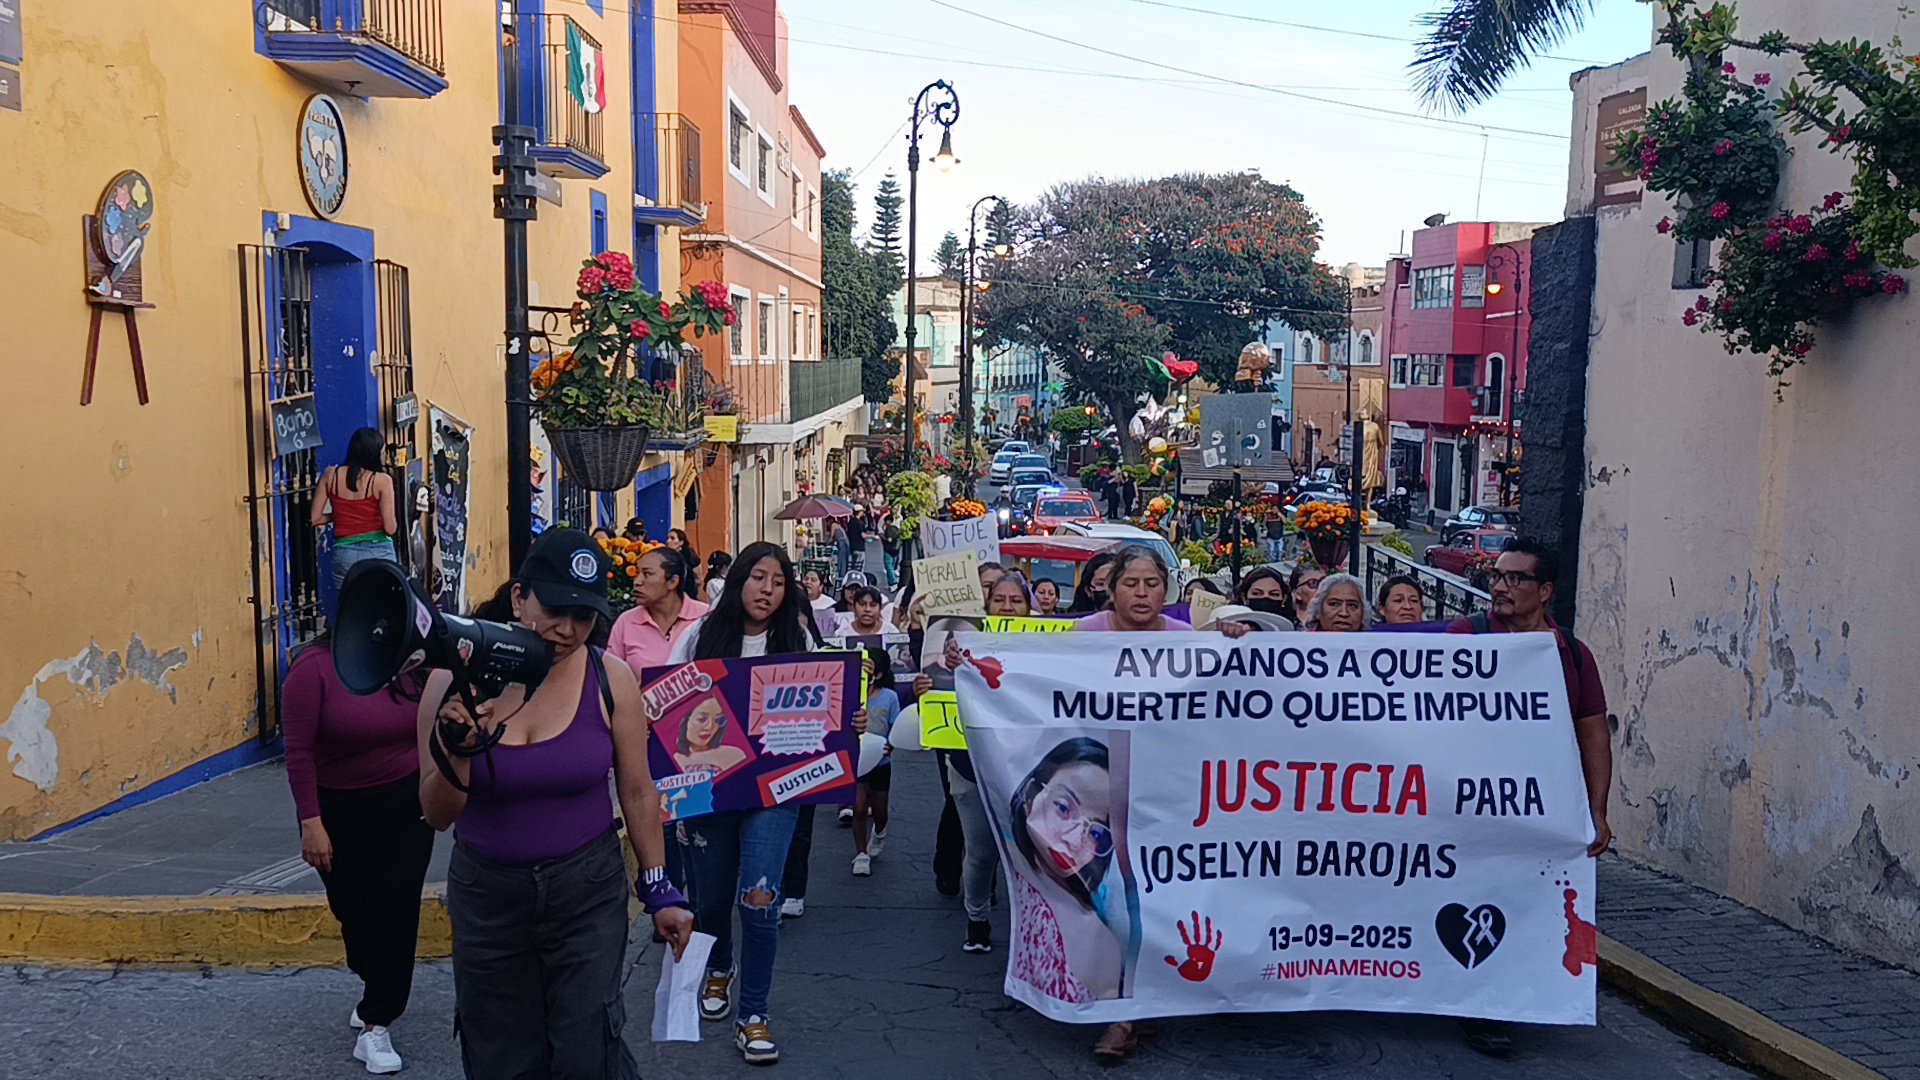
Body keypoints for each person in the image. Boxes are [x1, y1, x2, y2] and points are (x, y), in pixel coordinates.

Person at [417, 529, 693, 1080]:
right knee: (501, 1050)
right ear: (520, 598)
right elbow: (437, 813)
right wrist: (461, 750)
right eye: (555, 609)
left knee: (586, 1042)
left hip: (585, 890)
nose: (567, 630)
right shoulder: (454, 679)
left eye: (585, 616)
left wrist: (660, 887)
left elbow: (638, 790)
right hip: (489, 895)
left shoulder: (609, 679)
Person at [668, 541, 866, 1064]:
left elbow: (826, 709)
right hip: (708, 790)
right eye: (759, 578)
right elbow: (664, 710)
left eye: (779, 583)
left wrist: (851, 721)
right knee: (709, 900)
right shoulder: (698, 637)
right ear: (739, 581)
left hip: (777, 793)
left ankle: (753, 1014)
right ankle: (719, 966)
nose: (768, 591)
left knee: (760, 900)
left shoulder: (795, 638)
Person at [1447, 538, 1613, 1057]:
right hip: (1471, 804)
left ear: (1544, 592)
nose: (1500, 586)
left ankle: (1521, 995)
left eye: (1515, 578)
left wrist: (1597, 810)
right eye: (1497, 575)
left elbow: (1593, 733)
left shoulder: (1573, 655)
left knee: (1532, 906)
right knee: (1478, 901)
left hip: (1544, 808)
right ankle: (1481, 1007)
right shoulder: (1466, 636)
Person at [282, 629, 433, 1075]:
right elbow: (299, 752)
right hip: (338, 810)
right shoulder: (313, 669)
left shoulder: (413, 662)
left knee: (395, 909)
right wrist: (312, 823)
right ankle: (373, 982)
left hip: (407, 804)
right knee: (354, 911)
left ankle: (377, 1022)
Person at [606, 546, 710, 893]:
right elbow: (610, 683)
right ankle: (666, 895)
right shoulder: (625, 623)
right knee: (655, 821)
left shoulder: (706, 620)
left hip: (697, 745)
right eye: (635, 572)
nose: (637, 580)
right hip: (643, 744)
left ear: (673, 581)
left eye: (647, 573)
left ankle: (698, 901)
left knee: (693, 822)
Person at [312, 428, 398, 593]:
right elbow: (390, 528)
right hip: (379, 552)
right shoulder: (382, 481)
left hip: (344, 554)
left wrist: (339, 515)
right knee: (384, 608)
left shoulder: (330, 475)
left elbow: (315, 518)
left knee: (351, 608)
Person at [851, 646, 898, 877]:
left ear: (877, 675)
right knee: (858, 807)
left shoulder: (890, 697)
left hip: (880, 761)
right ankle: (860, 853)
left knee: (879, 811)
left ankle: (879, 832)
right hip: (856, 758)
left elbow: (896, 726)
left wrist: (891, 744)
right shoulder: (850, 695)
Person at [1232, 566, 1297, 629]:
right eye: (1256, 593)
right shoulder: (1230, 626)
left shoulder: (1296, 629)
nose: (1266, 596)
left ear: (1284, 599)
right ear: (1244, 597)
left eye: (1274, 594)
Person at [1304, 572, 1368, 632]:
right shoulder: (1300, 642)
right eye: (1334, 604)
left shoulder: (1375, 642)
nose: (1344, 613)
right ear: (1318, 611)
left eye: (1352, 605)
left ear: (1363, 614)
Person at [1288, 563, 1327, 628]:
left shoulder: (1332, 623)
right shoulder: (1285, 624)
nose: (1321, 588)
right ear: (1297, 593)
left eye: (1324, 582)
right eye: (1313, 583)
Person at [880, 514, 903, 588]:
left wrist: (882, 537)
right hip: (896, 550)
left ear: (888, 521)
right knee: (892, 567)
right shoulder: (896, 528)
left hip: (889, 550)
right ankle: (890, 584)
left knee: (888, 567)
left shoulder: (888, 529)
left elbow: (889, 539)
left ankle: (893, 583)